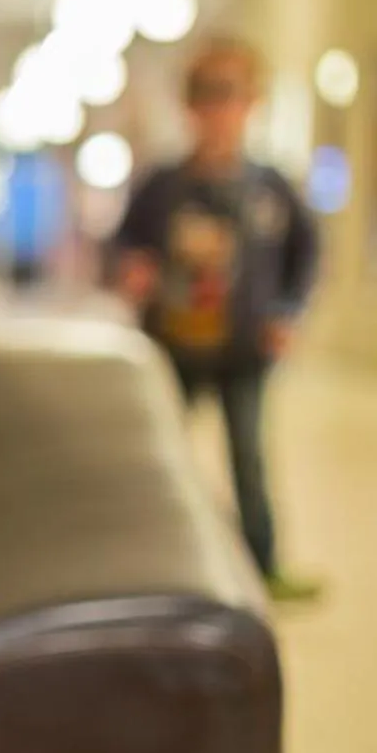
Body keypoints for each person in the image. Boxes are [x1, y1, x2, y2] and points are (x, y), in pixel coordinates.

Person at [112, 35, 323, 602]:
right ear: (189, 105)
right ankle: (156, 562)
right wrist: (131, 269)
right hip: (173, 347)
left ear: (252, 102)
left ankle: (263, 563)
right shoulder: (162, 185)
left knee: (248, 459)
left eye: (230, 94)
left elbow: (306, 254)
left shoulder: (269, 187)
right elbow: (121, 246)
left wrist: (287, 312)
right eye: (206, 94)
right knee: (162, 459)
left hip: (243, 348)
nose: (218, 109)